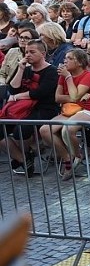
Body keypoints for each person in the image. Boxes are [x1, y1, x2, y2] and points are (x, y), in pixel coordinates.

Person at [1, 39, 60, 175]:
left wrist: (17, 97)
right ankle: (23, 158)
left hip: (45, 108)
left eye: (32, 52)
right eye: (26, 52)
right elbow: (13, 88)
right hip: (22, 109)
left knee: (21, 131)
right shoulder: (25, 69)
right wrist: (21, 69)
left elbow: (40, 93)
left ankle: (30, 151)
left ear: (43, 53)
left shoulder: (51, 71)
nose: (28, 55)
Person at [39, 48, 90, 180]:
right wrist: (73, 97)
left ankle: (77, 156)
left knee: (68, 128)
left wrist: (69, 78)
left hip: (88, 110)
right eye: (65, 58)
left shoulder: (88, 75)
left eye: (70, 58)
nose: (65, 61)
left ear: (80, 62)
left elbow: (74, 95)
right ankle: (67, 159)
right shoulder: (63, 76)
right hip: (69, 110)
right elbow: (58, 98)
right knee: (45, 130)